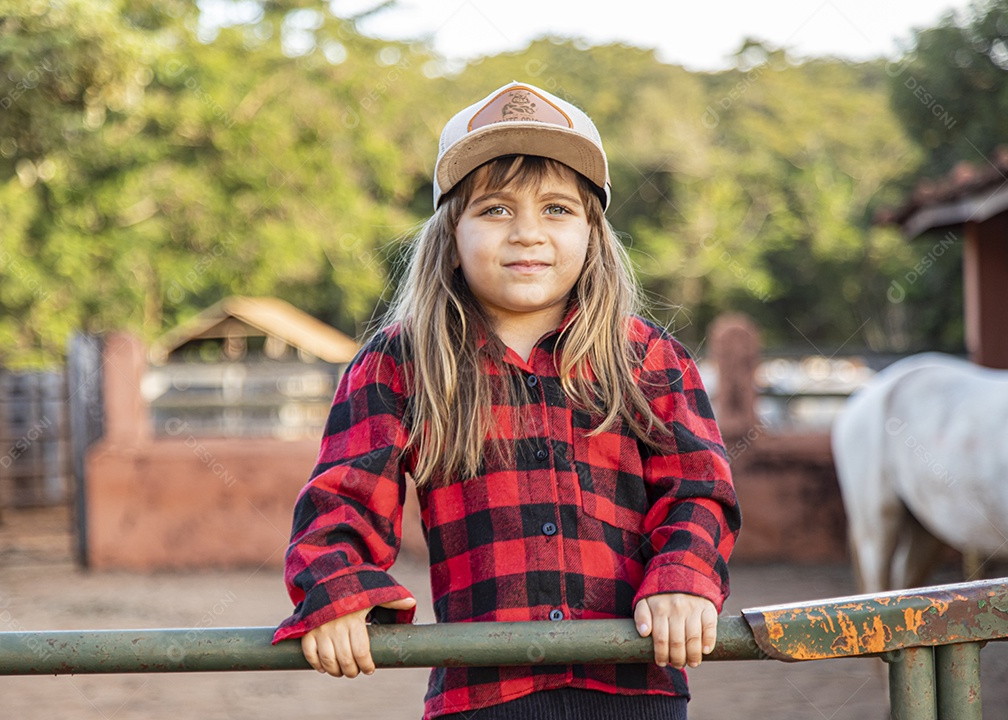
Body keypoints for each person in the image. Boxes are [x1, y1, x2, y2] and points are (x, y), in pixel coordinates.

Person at [273, 80, 741, 720]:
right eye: (495, 209)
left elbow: (699, 490)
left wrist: (683, 579)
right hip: (482, 697)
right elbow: (341, 498)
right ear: (451, 235)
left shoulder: (649, 358)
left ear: (593, 233)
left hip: (635, 687)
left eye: (557, 209)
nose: (527, 234)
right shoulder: (401, 362)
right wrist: (338, 588)